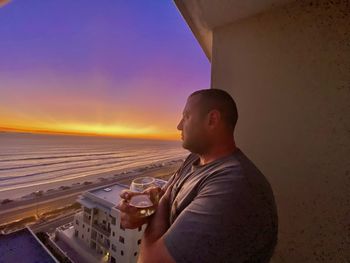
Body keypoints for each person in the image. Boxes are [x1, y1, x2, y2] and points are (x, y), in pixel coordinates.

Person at [117, 89, 278, 263]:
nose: (179, 125)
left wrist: (161, 204)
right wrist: (144, 207)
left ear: (212, 120)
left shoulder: (235, 185)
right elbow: (165, 196)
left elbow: (150, 260)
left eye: (186, 116)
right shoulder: (194, 159)